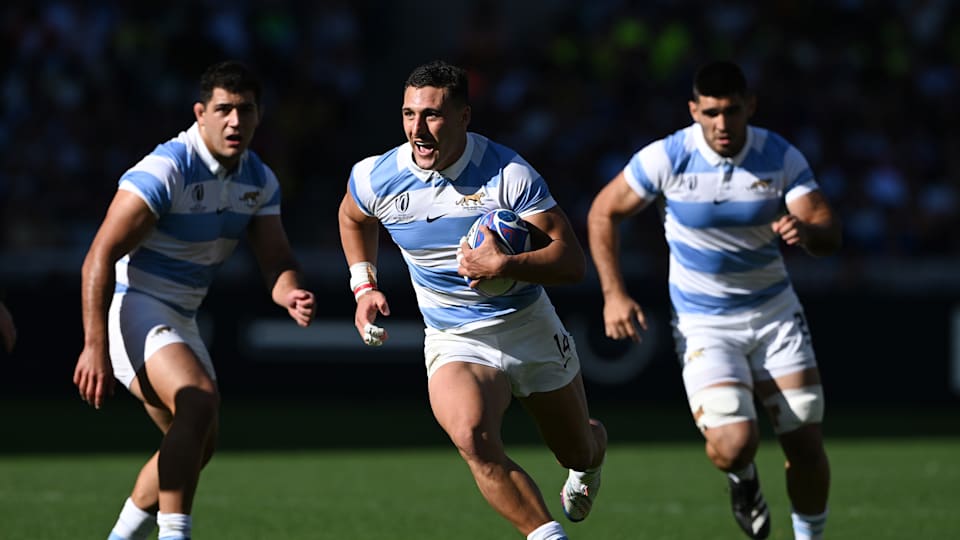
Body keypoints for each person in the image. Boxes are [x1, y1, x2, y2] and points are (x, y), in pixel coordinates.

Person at [338, 60, 607, 540]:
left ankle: (590, 457)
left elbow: (572, 262)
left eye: (432, 116)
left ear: (464, 117)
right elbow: (353, 217)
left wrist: (504, 266)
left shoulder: (509, 175)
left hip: (528, 326)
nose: (417, 130)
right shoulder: (377, 176)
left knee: (576, 450)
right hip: (454, 337)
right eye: (408, 114)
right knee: (472, 437)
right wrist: (365, 285)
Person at [587, 60, 840, 540]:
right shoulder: (669, 156)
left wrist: (807, 231)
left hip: (775, 317)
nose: (722, 124)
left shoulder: (779, 156)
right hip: (705, 324)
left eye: (732, 111)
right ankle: (743, 481)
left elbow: (828, 232)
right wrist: (613, 293)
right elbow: (604, 211)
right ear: (693, 110)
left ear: (750, 107)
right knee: (732, 443)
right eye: (711, 113)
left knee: (805, 441)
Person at [73, 60, 316, 540]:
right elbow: (99, 255)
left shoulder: (259, 180)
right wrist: (94, 345)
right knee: (199, 400)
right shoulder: (167, 169)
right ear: (200, 113)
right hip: (134, 303)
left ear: (258, 116)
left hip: (180, 316)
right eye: (223, 109)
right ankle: (174, 535)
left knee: (193, 445)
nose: (234, 121)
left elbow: (276, 261)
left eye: (245, 110)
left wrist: (289, 291)